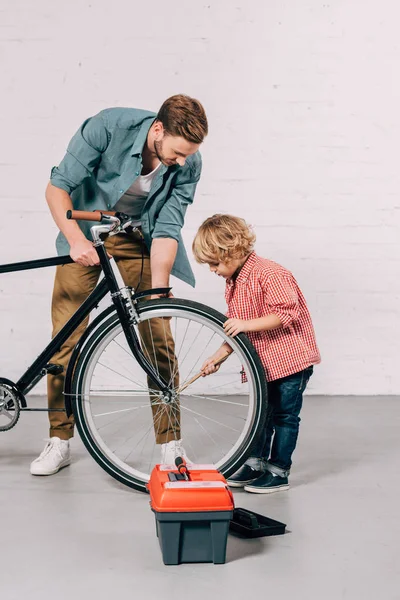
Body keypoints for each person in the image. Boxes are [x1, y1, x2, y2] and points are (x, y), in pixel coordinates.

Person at [30, 94, 208, 476]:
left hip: (139, 239)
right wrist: (76, 241)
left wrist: (159, 292)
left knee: (158, 334)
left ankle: (169, 445)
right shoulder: (108, 127)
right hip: (83, 232)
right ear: (158, 129)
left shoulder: (188, 161)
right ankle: (59, 439)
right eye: (176, 153)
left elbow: (167, 227)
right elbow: (56, 188)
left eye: (187, 156)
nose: (180, 162)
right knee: (65, 339)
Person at [192, 214, 320, 494]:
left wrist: (246, 325)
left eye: (214, 263)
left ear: (232, 251)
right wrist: (217, 357)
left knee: (284, 416)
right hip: (264, 364)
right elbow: (237, 328)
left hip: (290, 362)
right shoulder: (235, 282)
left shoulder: (270, 273)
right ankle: (255, 464)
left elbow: (286, 313)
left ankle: (278, 471)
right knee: (261, 415)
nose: (212, 270)